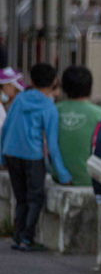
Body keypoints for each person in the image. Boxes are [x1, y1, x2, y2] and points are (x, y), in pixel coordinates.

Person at [1, 63, 72, 251]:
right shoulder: (49, 107)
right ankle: (26, 237)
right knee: (35, 198)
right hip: (32, 156)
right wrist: (63, 175)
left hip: (11, 153)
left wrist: (1, 157)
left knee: (21, 197)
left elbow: (6, 128)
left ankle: (17, 236)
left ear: (30, 81)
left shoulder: (19, 99)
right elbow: (52, 145)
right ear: (54, 82)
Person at [56, 66, 101, 187]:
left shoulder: (54, 110)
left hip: (58, 177)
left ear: (63, 87)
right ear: (90, 87)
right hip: (89, 179)